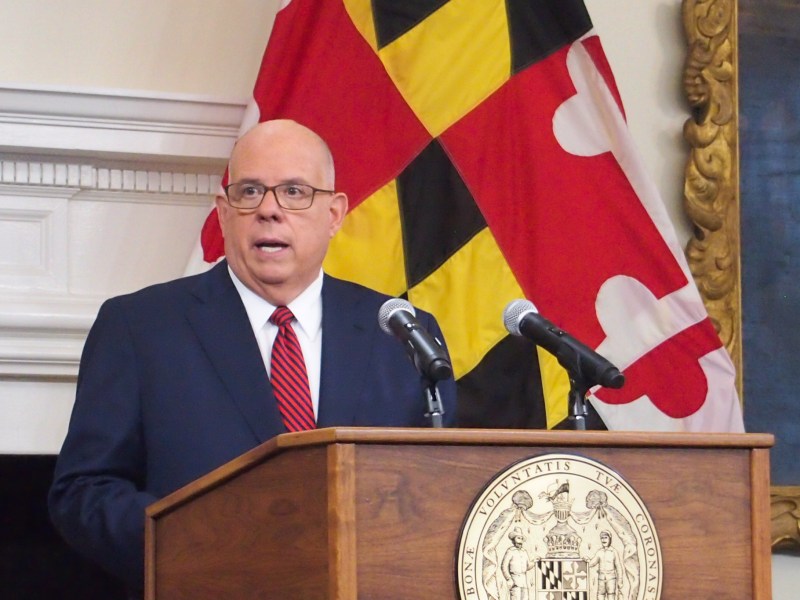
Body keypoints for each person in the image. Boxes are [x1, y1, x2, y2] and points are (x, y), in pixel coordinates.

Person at [48, 119, 457, 595]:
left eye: (295, 192)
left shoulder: (403, 332)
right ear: (223, 213)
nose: (269, 210)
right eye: (249, 192)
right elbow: (83, 492)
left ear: (334, 213)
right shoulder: (139, 327)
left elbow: (435, 492)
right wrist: (199, 546)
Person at [587, 530, 624, 600]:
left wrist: (620, 580)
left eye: (605, 537)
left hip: (611, 579)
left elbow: (618, 566)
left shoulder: (614, 552)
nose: (604, 540)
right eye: (602, 538)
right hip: (601, 579)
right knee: (600, 595)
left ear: (610, 539)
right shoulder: (599, 552)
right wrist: (587, 561)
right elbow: (592, 563)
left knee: (611, 595)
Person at [501, 527, 535, 600]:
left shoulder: (524, 552)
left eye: (521, 538)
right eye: (518, 538)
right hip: (514, 580)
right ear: (514, 540)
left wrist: (534, 562)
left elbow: (527, 566)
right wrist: (509, 578)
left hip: (524, 581)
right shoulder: (510, 551)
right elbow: (504, 566)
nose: (520, 541)